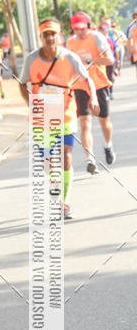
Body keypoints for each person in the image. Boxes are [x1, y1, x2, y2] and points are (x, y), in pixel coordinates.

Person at [19, 18, 98, 220]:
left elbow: (86, 78)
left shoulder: (69, 58)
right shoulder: (32, 59)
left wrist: (93, 97)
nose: (50, 38)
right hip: (42, 115)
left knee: (66, 157)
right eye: (46, 34)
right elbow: (22, 83)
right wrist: (32, 104)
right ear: (41, 37)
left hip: (65, 114)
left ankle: (64, 202)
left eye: (53, 33)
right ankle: (55, 185)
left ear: (59, 35)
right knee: (47, 161)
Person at [66, 11, 115, 168]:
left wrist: (91, 61)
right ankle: (90, 159)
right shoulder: (70, 43)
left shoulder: (96, 38)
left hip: (99, 84)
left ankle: (108, 145)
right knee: (85, 122)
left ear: (88, 26)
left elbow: (110, 59)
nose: (80, 32)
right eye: (76, 29)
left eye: (82, 28)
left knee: (103, 120)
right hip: (81, 85)